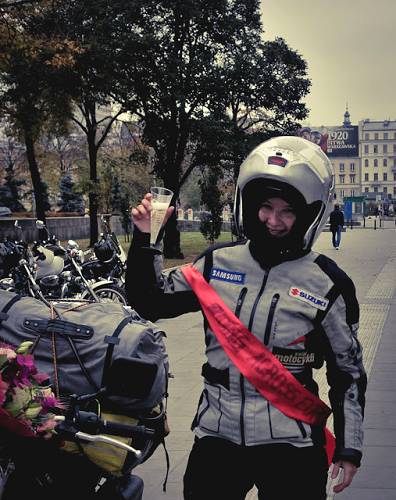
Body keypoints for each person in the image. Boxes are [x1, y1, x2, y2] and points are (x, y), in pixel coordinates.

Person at [126, 136, 367, 500]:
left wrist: (349, 449)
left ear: (308, 214)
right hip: (217, 436)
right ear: (248, 205)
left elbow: (347, 373)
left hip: (292, 442)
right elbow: (151, 301)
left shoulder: (329, 283)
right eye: (266, 206)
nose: (274, 220)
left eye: (288, 210)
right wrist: (146, 239)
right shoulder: (216, 264)